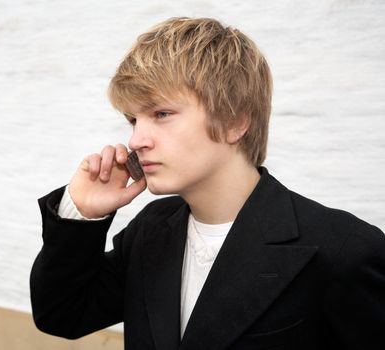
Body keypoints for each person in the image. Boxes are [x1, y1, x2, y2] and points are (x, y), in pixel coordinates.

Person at [30, 17, 385, 349]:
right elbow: (63, 315)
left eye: (161, 114)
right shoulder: (151, 231)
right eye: (133, 120)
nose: (137, 140)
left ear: (234, 122)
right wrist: (82, 214)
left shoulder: (343, 250)